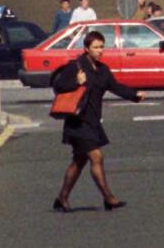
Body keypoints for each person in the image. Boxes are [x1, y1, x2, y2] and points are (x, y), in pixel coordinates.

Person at [50, 29, 144, 211]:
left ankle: (62, 197)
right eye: (96, 47)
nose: (100, 51)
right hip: (78, 121)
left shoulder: (103, 70)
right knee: (96, 156)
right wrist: (76, 82)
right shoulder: (76, 66)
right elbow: (59, 86)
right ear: (86, 48)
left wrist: (134, 95)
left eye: (102, 47)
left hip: (93, 121)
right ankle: (108, 198)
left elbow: (115, 86)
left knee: (79, 161)